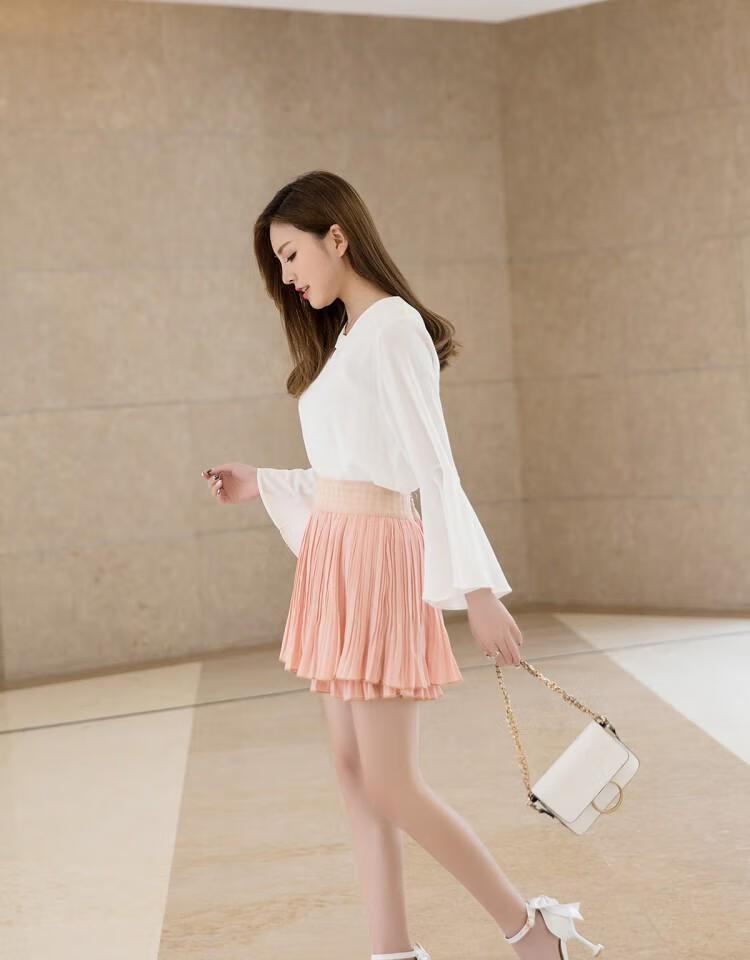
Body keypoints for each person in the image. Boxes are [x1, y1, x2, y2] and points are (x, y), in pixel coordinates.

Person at [201, 171, 604, 960]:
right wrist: (264, 482)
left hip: (376, 561)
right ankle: (392, 951)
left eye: (291, 254)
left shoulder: (392, 328)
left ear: (337, 236)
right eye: (278, 263)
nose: (286, 275)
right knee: (354, 773)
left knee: (389, 781)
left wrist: (477, 592)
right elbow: (352, 471)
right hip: (336, 557)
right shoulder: (349, 337)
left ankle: (532, 932)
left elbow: (430, 468)